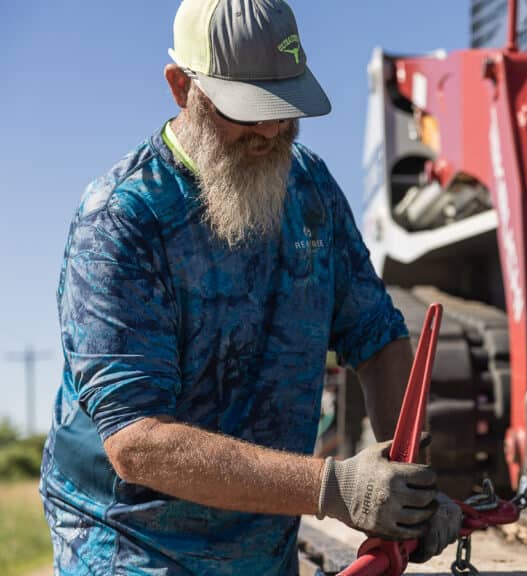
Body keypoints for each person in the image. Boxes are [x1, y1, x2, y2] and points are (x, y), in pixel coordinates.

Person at [39, 0, 462, 573]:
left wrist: (409, 484)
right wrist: (335, 487)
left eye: (284, 108)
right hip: (133, 545)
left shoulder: (310, 190)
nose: (269, 129)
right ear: (180, 87)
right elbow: (137, 442)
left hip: (262, 546)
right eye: (247, 109)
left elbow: (378, 336)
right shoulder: (123, 219)